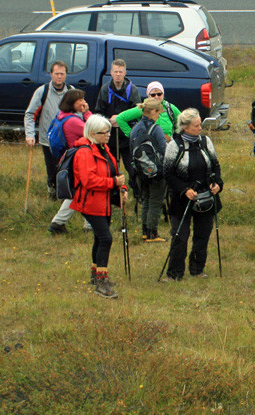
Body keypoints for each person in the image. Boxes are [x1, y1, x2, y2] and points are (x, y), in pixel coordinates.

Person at [68, 115, 128, 299]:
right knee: (106, 238)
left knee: (99, 238)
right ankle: (102, 281)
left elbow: (113, 170)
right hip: (91, 202)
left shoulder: (103, 148)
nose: (108, 135)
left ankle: (96, 276)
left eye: (109, 131)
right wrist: (113, 183)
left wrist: (122, 187)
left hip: (104, 202)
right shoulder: (84, 152)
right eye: (104, 132)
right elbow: (88, 180)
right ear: (93, 133)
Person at [162, 109, 223, 280]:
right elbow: (167, 174)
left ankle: (197, 269)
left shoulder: (206, 142)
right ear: (186, 128)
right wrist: (184, 189)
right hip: (182, 199)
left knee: (203, 234)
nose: (200, 128)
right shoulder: (174, 145)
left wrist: (217, 184)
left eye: (200, 124)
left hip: (206, 197)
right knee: (180, 236)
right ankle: (174, 274)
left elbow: (215, 166)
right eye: (196, 125)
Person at [24, 60, 74, 199]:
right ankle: (52, 194)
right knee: (52, 172)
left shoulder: (71, 91)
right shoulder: (42, 92)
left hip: (68, 141)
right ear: (51, 74)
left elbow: (79, 114)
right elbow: (30, 114)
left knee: (68, 170)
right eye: (56, 73)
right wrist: (30, 134)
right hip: (48, 141)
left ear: (66, 75)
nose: (59, 76)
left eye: (62, 74)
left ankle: (67, 197)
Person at [47, 89, 92, 234]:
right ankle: (88, 225)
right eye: (81, 100)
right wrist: (87, 113)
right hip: (78, 161)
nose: (84, 102)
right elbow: (95, 131)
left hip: (69, 159)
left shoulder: (61, 116)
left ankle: (59, 223)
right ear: (72, 103)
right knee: (87, 189)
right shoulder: (73, 121)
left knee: (79, 191)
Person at [93, 59, 143, 184]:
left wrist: (120, 119)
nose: (118, 74)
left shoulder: (133, 90)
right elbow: (98, 112)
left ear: (125, 73)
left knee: (132, 168)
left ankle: (137, 192)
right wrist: (109, 122)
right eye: (116, 71)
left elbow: (137, 114)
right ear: (111, 72)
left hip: (127, 136)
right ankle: (113, 193)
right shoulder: (105, 90)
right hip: (109, 137)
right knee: (110, 168)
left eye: (121, 72)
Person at [130, 97, 168, 242]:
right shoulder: (156, 129)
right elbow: (164, 150)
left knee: (145, 200)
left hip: (140, 171)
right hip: (156, 171)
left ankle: (145, 232)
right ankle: (153, 234)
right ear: (152, 111)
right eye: (159, 113)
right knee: (155, 201)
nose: (159, 115)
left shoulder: (135, 129)